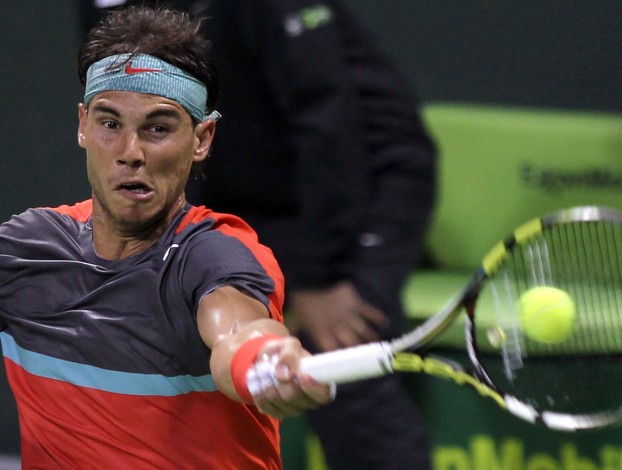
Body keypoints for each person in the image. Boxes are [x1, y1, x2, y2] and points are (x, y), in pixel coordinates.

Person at [80, 2, 437, 469]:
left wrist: (320, 279)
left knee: (344, 365)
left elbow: (330, 128)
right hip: (255, 193)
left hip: (363, 189)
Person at [0, 5, 334, 469]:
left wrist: (263, 362)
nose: (130, 153)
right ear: (82, 125)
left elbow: (239, 333)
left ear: (202, 138)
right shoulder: (25, 253)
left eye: (157, 128)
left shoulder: (214, 255)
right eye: (109, 124)